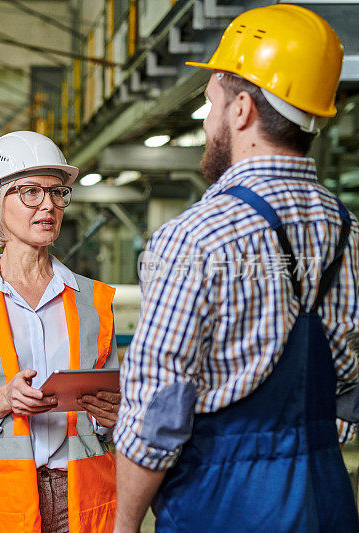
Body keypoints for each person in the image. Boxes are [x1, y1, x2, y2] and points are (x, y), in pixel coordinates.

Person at [113, 5, 359, 532]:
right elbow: (347, 393)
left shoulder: (196, 238)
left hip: (225, 510)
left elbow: (157, 415)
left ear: (242, 108)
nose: (206, 122)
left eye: (209, 104)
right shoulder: (349, 233)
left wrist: (124, 524)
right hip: (327, 501)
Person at [0, 131, 120, 533]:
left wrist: (114, 416)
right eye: (30, 192)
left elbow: (110, 408)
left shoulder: (94, 301)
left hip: (83, 498)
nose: (48, 205)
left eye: (56, 192)